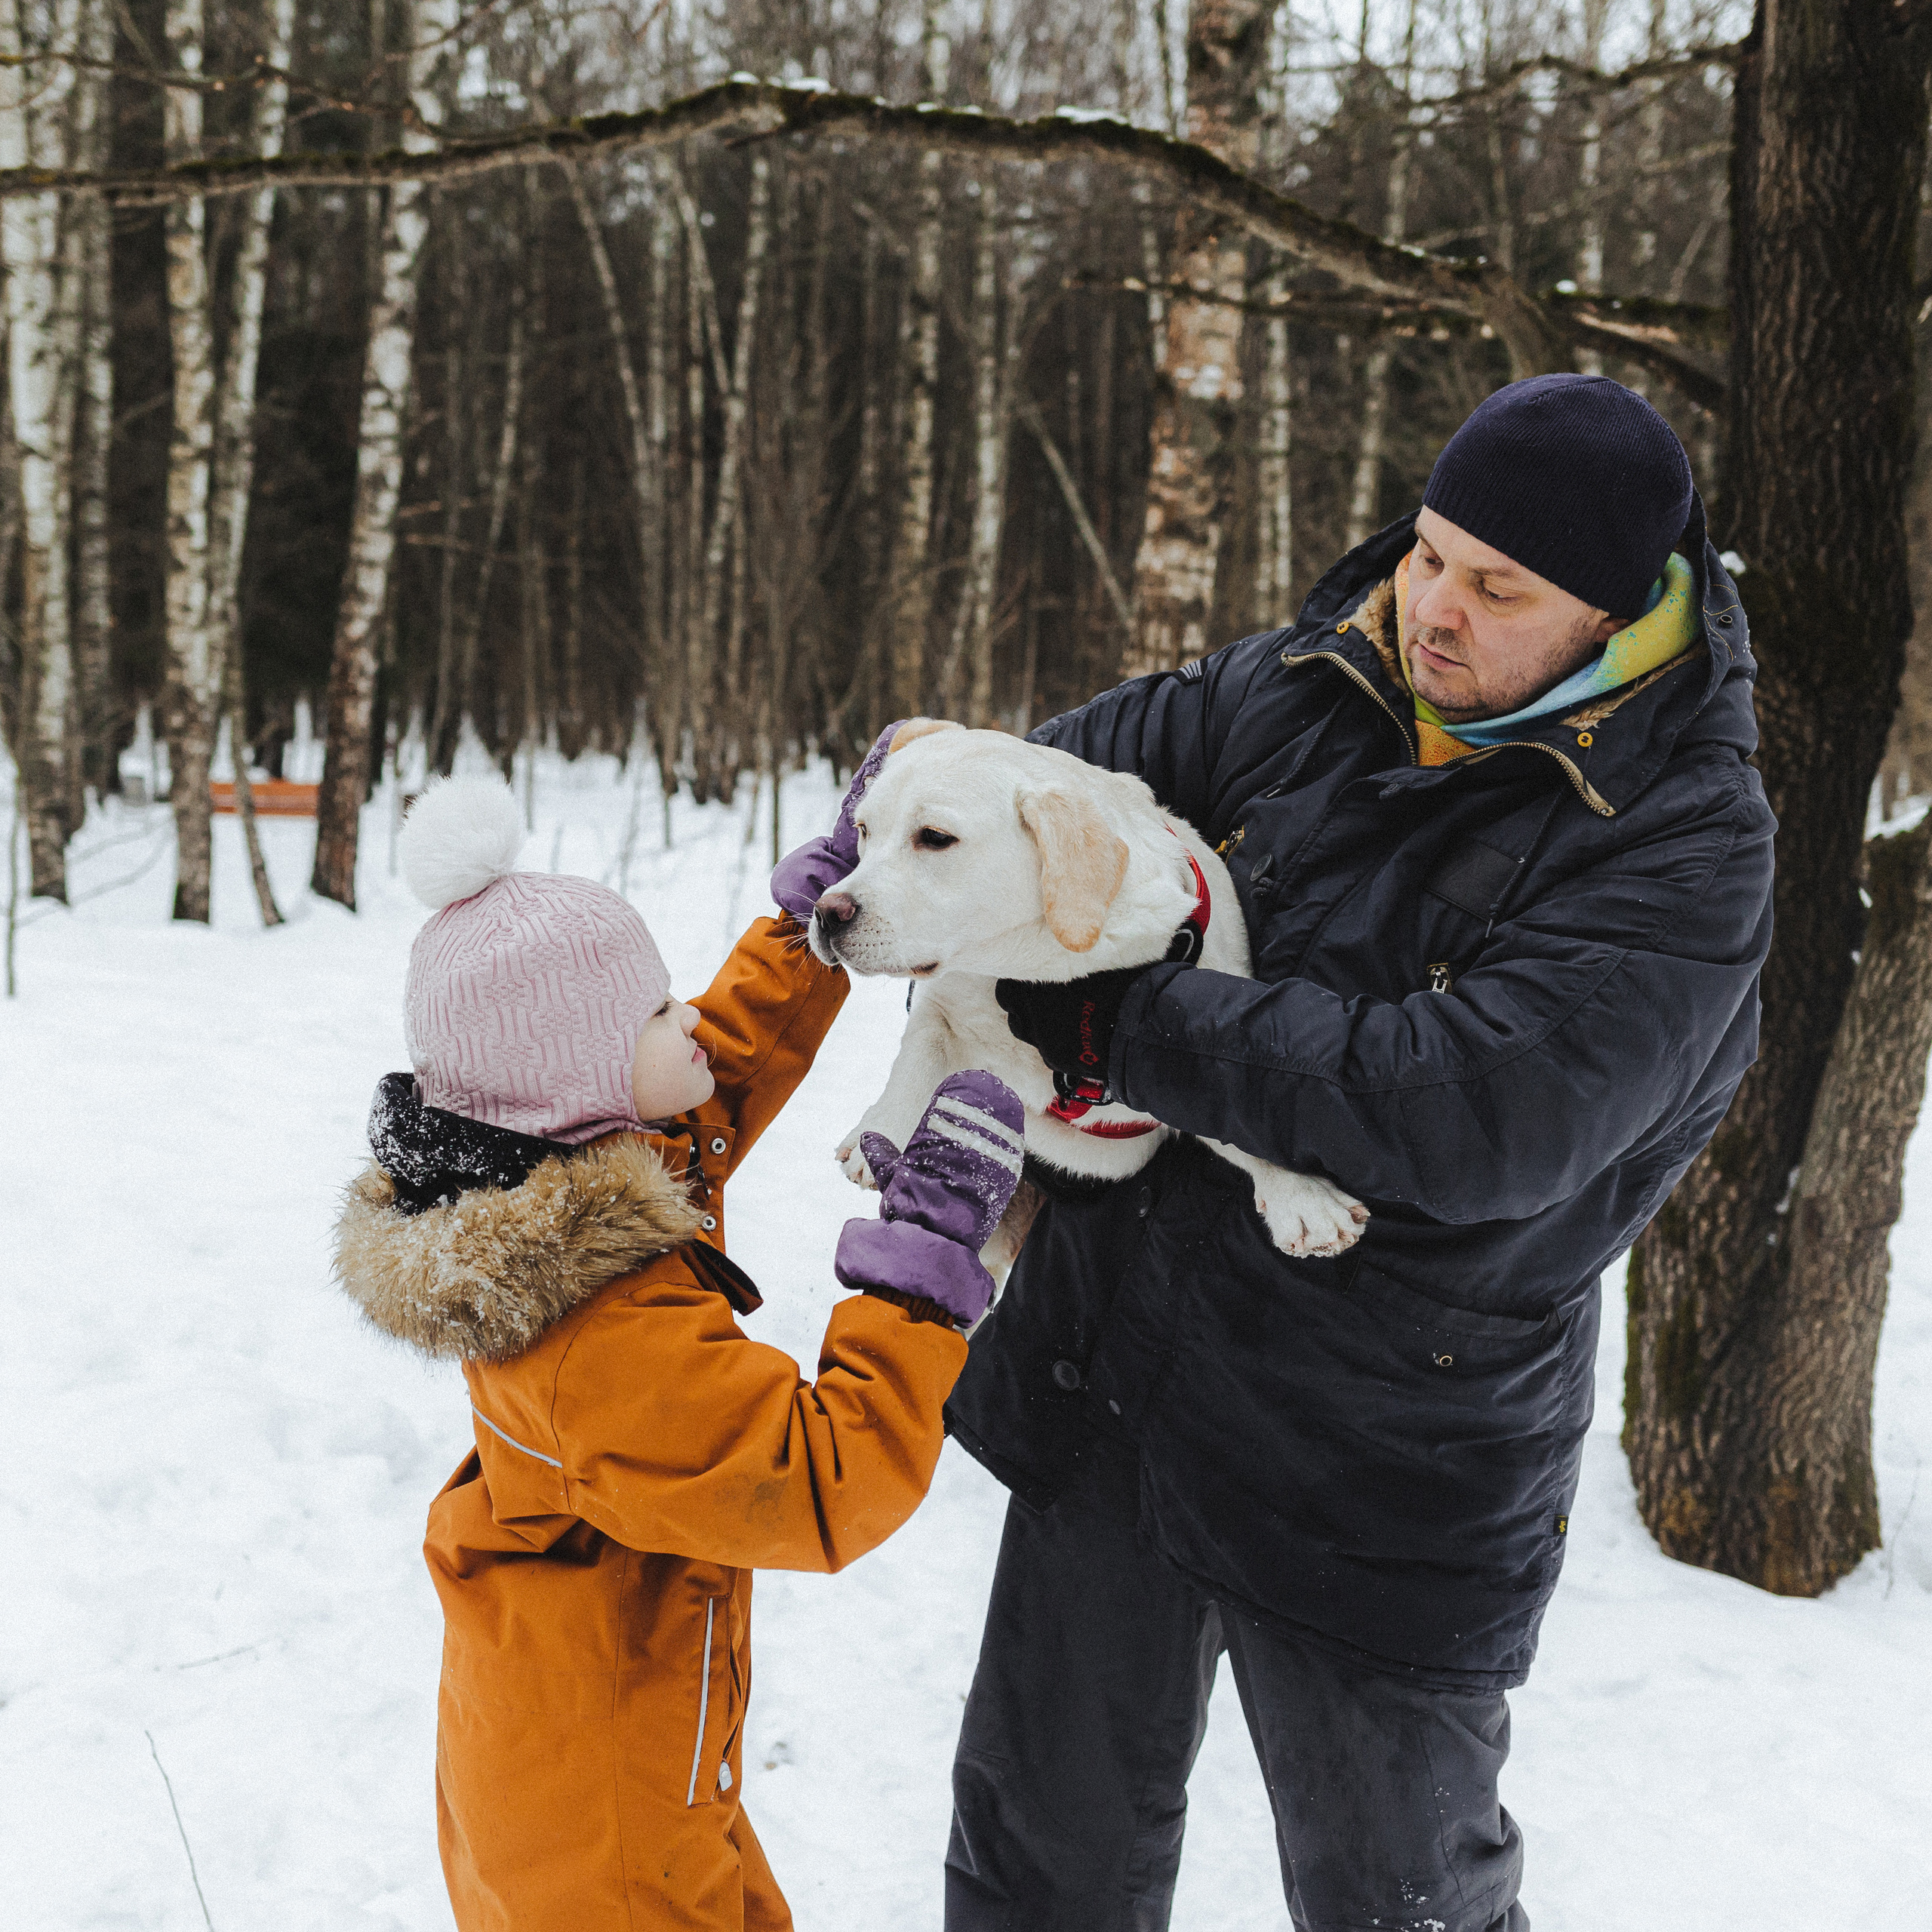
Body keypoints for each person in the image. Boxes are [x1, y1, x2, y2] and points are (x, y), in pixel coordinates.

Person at [943, 374, 1777, 1931]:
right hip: (1114, 1364)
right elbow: (1037, 787)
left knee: (1397, 1900)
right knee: (1033, 1862)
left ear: (1609, 612)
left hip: (1384, 1443)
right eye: (1427, 550)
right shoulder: (1312, 676)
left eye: (1492, 584)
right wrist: (910, 822)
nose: (1430, 606)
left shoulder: (1683, 836)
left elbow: (1469, 1107)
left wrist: (1115, 1023)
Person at [331, 749, 1023, 1932]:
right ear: (578, 1080)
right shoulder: (593, 1328)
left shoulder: (547, 1179)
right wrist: (919, 1275)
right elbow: (818, 1481)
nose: (687, 1016)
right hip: (603, 1819)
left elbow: (713, 1082)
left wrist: (801, 933)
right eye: (658, 1011)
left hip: (602, 1730)